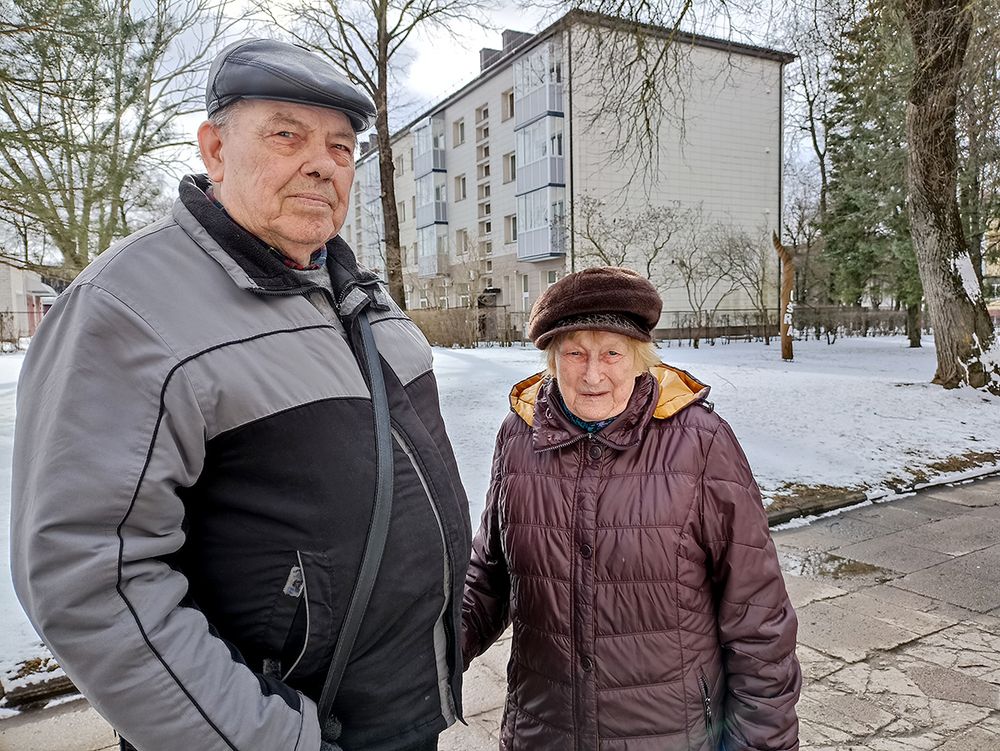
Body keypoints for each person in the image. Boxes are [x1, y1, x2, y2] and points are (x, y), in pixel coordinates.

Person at [10, 39, 471, 751]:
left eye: (341, 147)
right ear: (216, 150)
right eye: (287, 135)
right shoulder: (129, 308)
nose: (322, 162)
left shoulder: (360, 295)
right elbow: (90, 579)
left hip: (403, 717)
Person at [462, 266, 801, 750]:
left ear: (640, 359)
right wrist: (424, 657)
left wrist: (759, 742)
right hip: (543, 732)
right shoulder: (519, 436)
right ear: (552, 360)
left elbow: (757, 614)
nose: (592, 374)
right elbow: (489, 575)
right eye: (574, 353)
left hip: (668, 734)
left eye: (612, 353)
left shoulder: (700, 443)